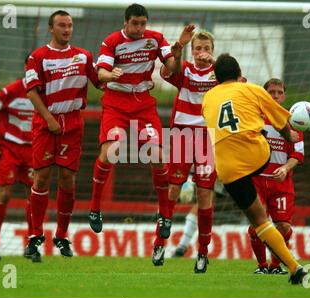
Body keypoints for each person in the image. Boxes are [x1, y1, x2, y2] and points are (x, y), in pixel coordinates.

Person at [88, 4, 192, 248]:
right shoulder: (112, 41)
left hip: (143, 104)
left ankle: (165, 214)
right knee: (110, 151)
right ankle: (95, 207)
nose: (139, 28)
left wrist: (178, 53)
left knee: (157, 155)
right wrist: (109, 75)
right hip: (116, 102)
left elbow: (173, 69)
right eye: (135, 23)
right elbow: (100, 72)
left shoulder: (155, 39)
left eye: (142, 24)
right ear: (125, 23)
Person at [201, 54, 306, 284]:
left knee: (259, 221)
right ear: (239, 74)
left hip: (228, 167)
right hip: (258, 156)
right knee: (264, 219)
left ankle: (289, 266)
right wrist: (292, 136)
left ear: (216, 78)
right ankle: (294, 268)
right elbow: (280, 122)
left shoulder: (207, 98)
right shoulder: (252, 89)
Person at [24, 10, 99, 259]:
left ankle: (62, 235)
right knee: (42, 177)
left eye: (69, 25)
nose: (66, 29)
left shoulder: (83, 56)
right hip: (46, 123)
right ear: (51, 29)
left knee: (67, 178)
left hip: (73, 123)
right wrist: (48, 119)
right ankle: (35, 236)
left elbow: (99, 80)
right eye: (61, 25)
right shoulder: (38, 57)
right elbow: (32, 92)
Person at [154, 30, 218, 273]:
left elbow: (239, 83)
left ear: (212, 49)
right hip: (183, 135)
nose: (202, 53)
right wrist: (178, 53)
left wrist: (217, 64)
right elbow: (170, 71)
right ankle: (160, 243)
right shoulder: (186, 69)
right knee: (173, 188)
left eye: (206, 48)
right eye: (198, 49)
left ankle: (202, 252)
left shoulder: (219, 72)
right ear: (192, 51)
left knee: (204, 194)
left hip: (207, 139)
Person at [0, 55, 37, 262]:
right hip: (10, 149)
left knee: (34, 196)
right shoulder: (12, 90)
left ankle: (32, 245)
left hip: (33, 150)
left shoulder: (45, 93)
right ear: (26, 68)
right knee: (5, 193)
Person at [249, 78, 304, 275]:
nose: (275, 96)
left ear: (284, 95)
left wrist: (285, 168)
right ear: (264, 94)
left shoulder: (292, 120)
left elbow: (298, 154)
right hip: (256, 180)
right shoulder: (254, 117)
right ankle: (261, 266)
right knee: (256, 225)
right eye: (271, 92)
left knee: (284, 226)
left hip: (281, 182)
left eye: (279, 92)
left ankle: (275, 265)